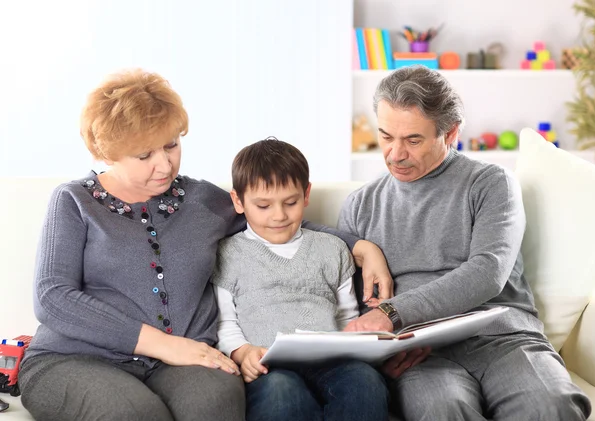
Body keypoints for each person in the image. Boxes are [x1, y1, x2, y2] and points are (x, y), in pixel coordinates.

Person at [18, 68, 394, 421]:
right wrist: (165, 345)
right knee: (134, 413)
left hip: (179, 363)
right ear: (108, 153)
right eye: (145, 155)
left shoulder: (203, 200)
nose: (164, 165)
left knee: (215, 399)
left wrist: (360, 246)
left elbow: (273, 219)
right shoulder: (73, 201)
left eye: (171, 145)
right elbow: (53, 297)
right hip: (76, 359)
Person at [340, 66, 592, 420]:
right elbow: (352, 304)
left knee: (551, 406)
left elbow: (487, 272)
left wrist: (393, 313)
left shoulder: (490, 184)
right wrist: (381, 351)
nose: (395, 154)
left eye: (413, 140)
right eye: (385, 136)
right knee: (441, 410)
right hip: (422, 356)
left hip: (502, 340)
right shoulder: (360, 205)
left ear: (451, 133)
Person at [211, 138, 389, 421]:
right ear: (238, 201)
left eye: (290, 202)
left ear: (306, 194)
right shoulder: (227, 253)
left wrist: (356, 341)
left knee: (364, 382)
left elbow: (345, 315)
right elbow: (225, 322)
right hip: (269, 366)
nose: (279, 215)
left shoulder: (332, 249)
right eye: (264, 206)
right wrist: (243, 353)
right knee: (283, 393)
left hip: (332, 362)